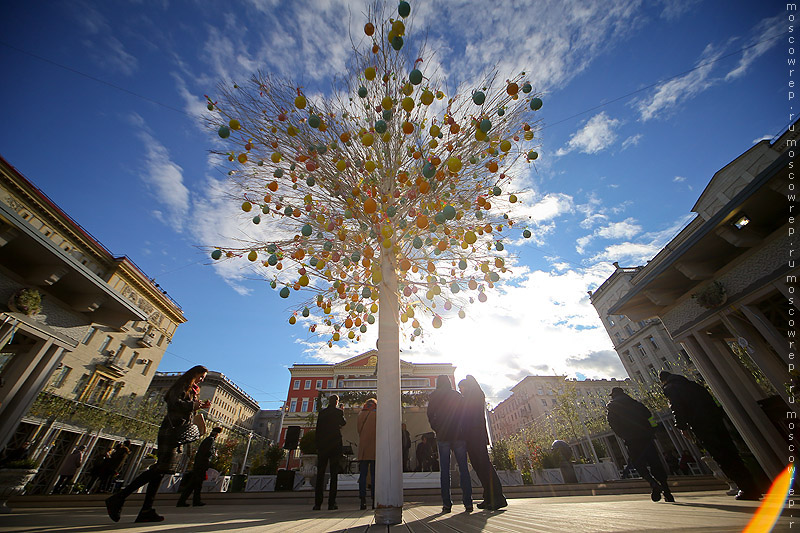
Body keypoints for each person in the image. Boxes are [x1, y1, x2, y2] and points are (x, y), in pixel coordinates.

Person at [105, 365, 211, 523]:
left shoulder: (193, 390)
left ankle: (146, 509)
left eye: (203, 377)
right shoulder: (182, 385)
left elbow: (184, 407)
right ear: (193, 373)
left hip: (177, 432)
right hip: (171, 431)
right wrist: (193, 405)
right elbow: (173, 403)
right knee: (160, 468)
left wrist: (198, 406)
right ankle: (119, 497)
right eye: (201, 376)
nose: (202, 379)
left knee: (161, 470)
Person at [660, 371, 762, 501]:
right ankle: (752, 487)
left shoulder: (670, 388)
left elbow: (677, 408)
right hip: (716, 422)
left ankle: (746, 488)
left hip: (701, 425)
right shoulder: (694, 385)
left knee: (721, 456)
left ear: (664, 381)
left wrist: (681, 427)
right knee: (732, 453)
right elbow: (711, 400)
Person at [607, 387, 673, 502]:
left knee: (638, 463)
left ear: (613, 395)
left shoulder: (612, 407)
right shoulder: (637, 404)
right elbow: (650, 417)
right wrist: (652, 430)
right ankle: (667, 492)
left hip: (632, 440)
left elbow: (613, 424)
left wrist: (624, 435)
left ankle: (652, 483)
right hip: (647, 437)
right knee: (655, 462)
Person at [459, 376, 507, 510]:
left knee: (484, 466)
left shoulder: (475, 396)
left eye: (461, 387)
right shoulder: (469, 398)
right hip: (472, 437)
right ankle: (489, 497)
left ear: (467, 386)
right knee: (479, 467)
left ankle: (498, 498)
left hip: (476, 437)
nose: (460, 390)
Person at [427, 375, 472, 513]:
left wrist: (437, 428)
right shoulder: (457, 395)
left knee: (445, 470)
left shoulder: (434, 396)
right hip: (458, 435)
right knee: (463, 468)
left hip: (443, 436)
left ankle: (447, 503)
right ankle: (468, 502)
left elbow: (430, 415)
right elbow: (465, 414)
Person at [313, 394, 346, 511]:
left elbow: (318, 430)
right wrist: (342, 411)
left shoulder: (322, 413)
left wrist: (317, 445)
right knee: (334, 475)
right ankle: (332, 503)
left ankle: (317, 503)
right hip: (334, 445)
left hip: (323, 446)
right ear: (336, 402)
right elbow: (343, 423)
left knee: (320, 475)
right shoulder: (338, 412)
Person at [177, 427, 222, 507]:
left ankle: (195, 501)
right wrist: (213, 454)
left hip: (200, 464)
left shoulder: (207, 440)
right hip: (201, 465)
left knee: (197, 484)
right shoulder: (210, 440)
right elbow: (207, 452)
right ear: (216, 434)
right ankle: (185, 501)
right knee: (194, 484)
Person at [356, 398, 377, 510]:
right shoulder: (377, 415)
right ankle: (374, 500)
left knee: (363, 475)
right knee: (374, 475)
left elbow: (359, 430)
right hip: (374, 448)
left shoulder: (361, 414)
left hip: (363, 448)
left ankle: (362, 500)